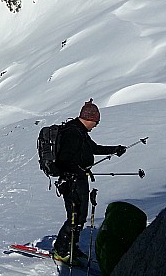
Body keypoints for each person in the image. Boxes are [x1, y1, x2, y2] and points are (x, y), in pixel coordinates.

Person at [52, 99, 126, 266]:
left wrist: (114, 150)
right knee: (74, 216)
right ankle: (61, 251)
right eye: (96, 122)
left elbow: (93, 148)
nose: (96, 125)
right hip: (71, 182)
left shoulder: (80, 132)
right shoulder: (72, 133)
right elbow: (64, 159)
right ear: (89, 118)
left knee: (80, 216)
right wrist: (78, 170)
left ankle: (72, 247)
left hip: (79, 179)